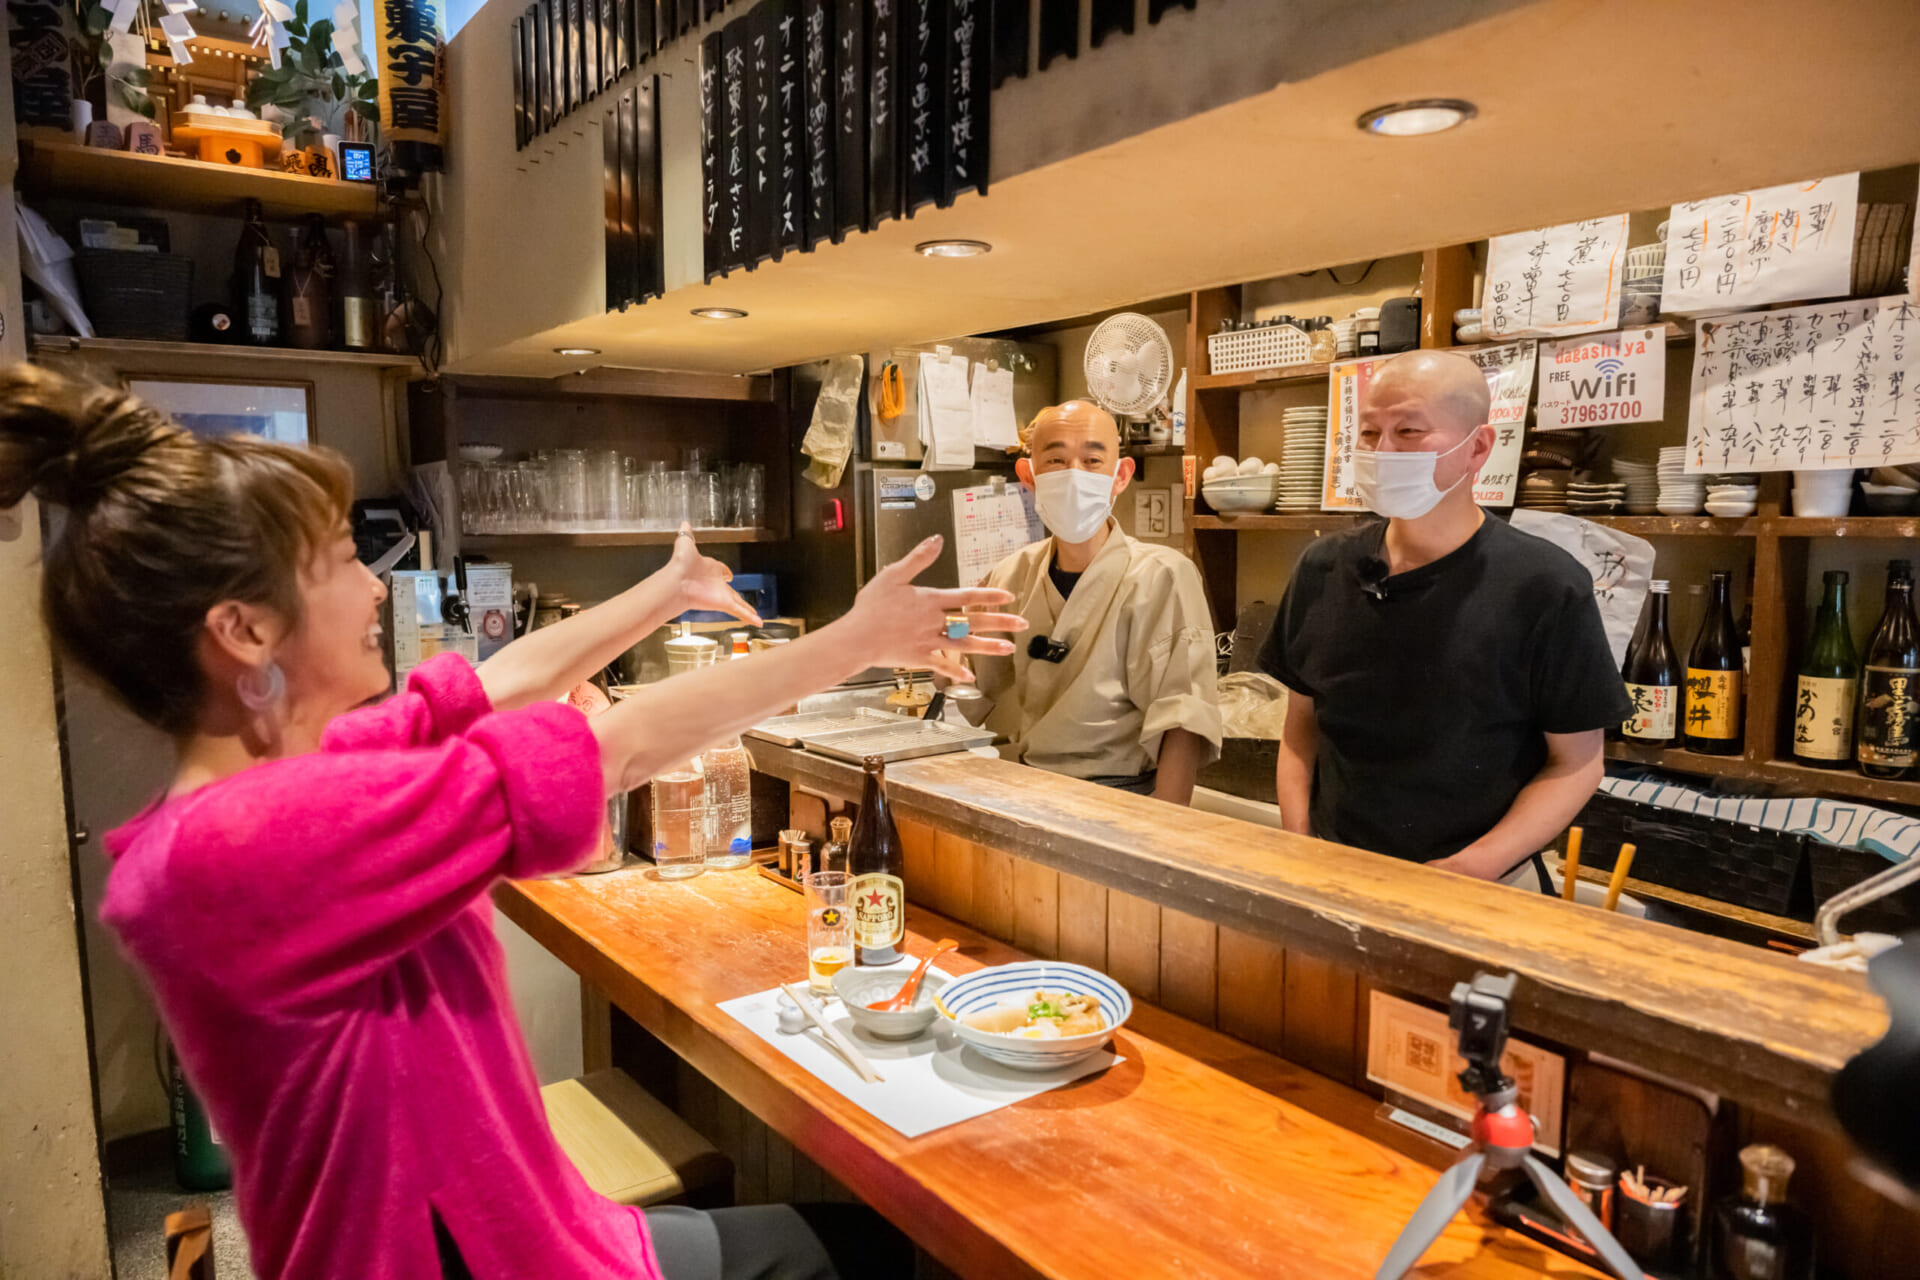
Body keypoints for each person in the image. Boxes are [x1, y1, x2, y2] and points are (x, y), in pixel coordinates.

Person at [0, 364, 1026, 1280]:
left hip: (528, 1229)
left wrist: (667, 590)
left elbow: (493, 686)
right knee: (854, 1250)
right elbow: (609, 748)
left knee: (823, 1244)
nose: (375, 581)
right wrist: (851, 641)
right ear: (243, 629)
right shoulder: (249, 848)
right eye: (337, 558)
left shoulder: (287, 787)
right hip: (457, 1256)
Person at [1257, 351, 1628, 879]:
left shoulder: (1545, 585)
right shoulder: (1322, 568)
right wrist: (1300, 845)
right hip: (1333, 873)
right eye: (1368, 433)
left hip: (1485, 888)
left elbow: (1578, 764)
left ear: (1477, 447)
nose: (1383, 451)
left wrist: (1473, 867)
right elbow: (1301, 732)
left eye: (1408, 431)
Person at [963, 400, 1222, 804]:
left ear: (1120, 476)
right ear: (1028, 475)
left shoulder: (1161, 576)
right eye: (1056, 459)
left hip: (1123, 798)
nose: (1074, 475)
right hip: (1033, 791)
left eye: (1092, 459)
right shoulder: (1012, 576)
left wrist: (1166, 837)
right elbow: (969, 684)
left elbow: (1182, 722)